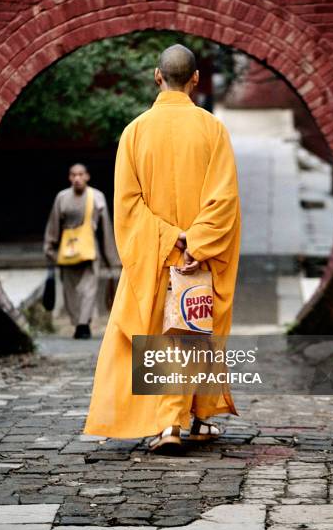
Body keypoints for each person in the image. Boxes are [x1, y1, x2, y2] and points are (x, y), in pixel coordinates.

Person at [83, 43, 241, 450]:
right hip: (199, 256)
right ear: (194, 80)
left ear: (157, 76)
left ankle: (179, 423)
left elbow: (127, 204)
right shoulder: (212, 129)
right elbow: (223, 199)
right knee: (195, 331)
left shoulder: (134, 132)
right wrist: (197, 241)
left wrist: (171, 238)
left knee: (159, 335)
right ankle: (190, 419)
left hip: (155, 252)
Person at [43, 163, 119, 339]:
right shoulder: (61, 197)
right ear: (69, 177)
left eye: (80, 174)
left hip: (90, 250)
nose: (77, 178)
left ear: (87, 176)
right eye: (73, 175)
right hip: (67, 250)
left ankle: (83, 325)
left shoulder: (97, 197)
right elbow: (54, 224)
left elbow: (106, 228)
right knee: (69, 290)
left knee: (89, 289)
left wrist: (111, 258)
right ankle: (78, 322)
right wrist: (49, 247)